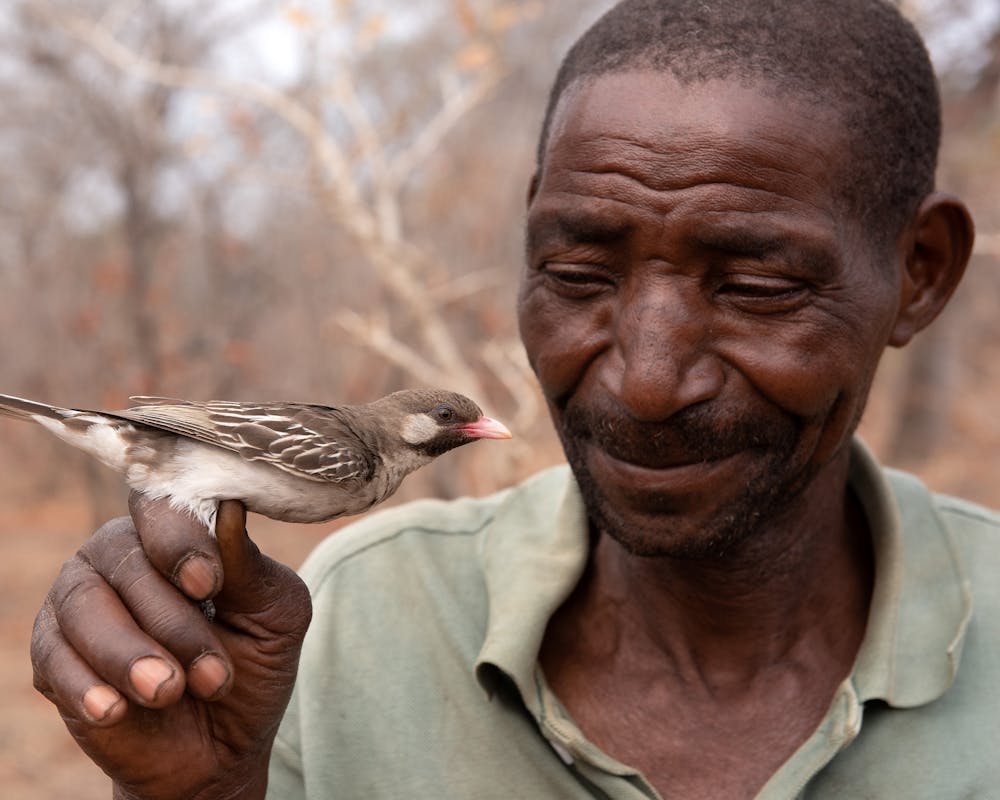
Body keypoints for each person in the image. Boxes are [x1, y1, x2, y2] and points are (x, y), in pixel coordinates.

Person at [29, 0, 1000, 797]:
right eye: (578, 272)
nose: (647, 383)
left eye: (755, 286)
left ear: (919, 272)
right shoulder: (342, 616)